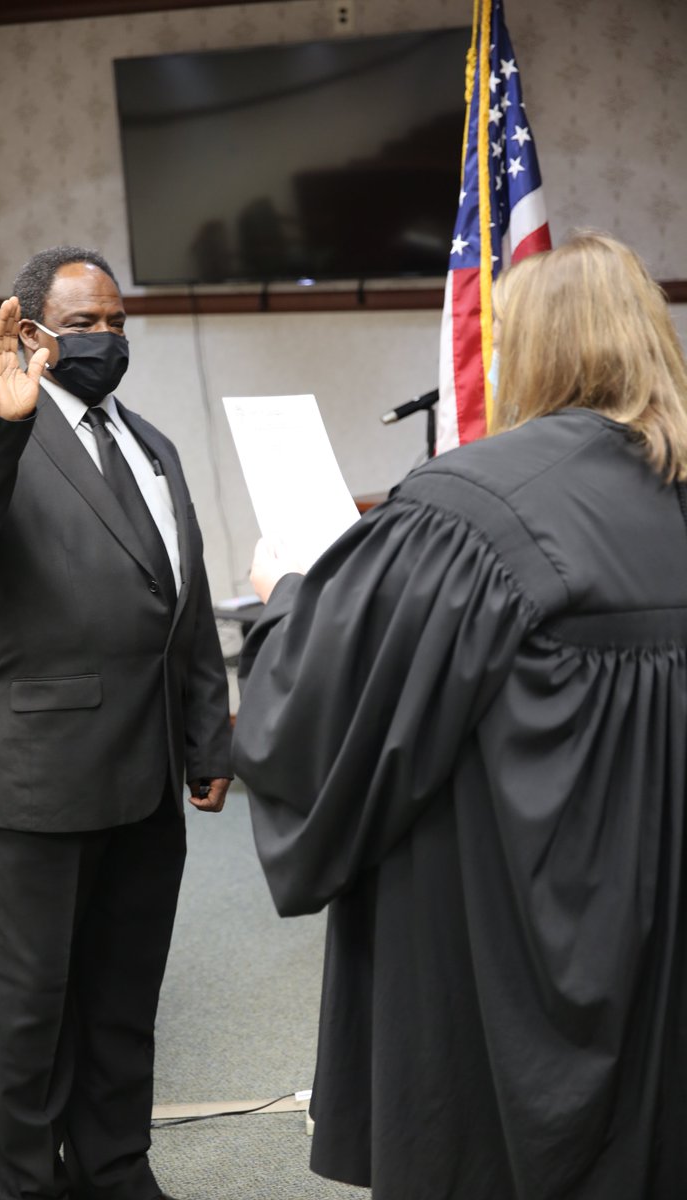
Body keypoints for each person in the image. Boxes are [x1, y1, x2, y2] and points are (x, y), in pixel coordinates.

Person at [231, 232, 687, 1200]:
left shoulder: (470, 510)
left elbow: (327, 708)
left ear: (528, 349)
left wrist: (281, 600)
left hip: (502, 944)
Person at [0, 246, 233, 1200]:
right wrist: (0, 428)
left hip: (148, 775)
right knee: (35, 1011)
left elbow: (187, 601)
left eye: (118, 322)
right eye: (84, 324)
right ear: (32, 329)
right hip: (42, 776)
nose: (106, 339)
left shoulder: (155, 446)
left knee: (125, 1001)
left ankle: (116, 1168)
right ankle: (28, 1185)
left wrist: (208, 733)